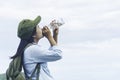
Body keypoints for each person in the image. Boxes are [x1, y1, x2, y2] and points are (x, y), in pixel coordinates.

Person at [11, 16, 62, 80]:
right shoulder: (32, 50)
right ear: (33, 35)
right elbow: (58, 54)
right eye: (38, 27)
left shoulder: (29, 49)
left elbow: (52, 54)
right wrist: (49, 37)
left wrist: (55, 35)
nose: (41, 28)